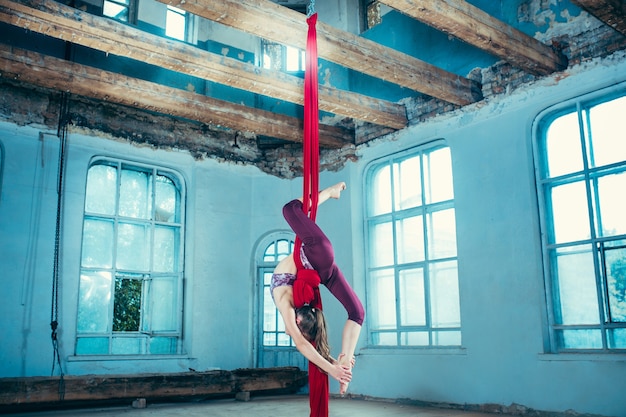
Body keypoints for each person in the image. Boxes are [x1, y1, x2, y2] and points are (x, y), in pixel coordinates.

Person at [271, 182, 365, 397]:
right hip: (317, 253)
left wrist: (337, 366)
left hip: (324, 270)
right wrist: (332, 370)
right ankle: (330, 193)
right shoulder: (286, 306)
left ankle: (346, 360)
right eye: (293, 331)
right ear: (296, 321)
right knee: (290, 209)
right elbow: (303, 345)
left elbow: (313, 348)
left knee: (357, 313)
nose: (289, 333)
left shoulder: (305, 310)